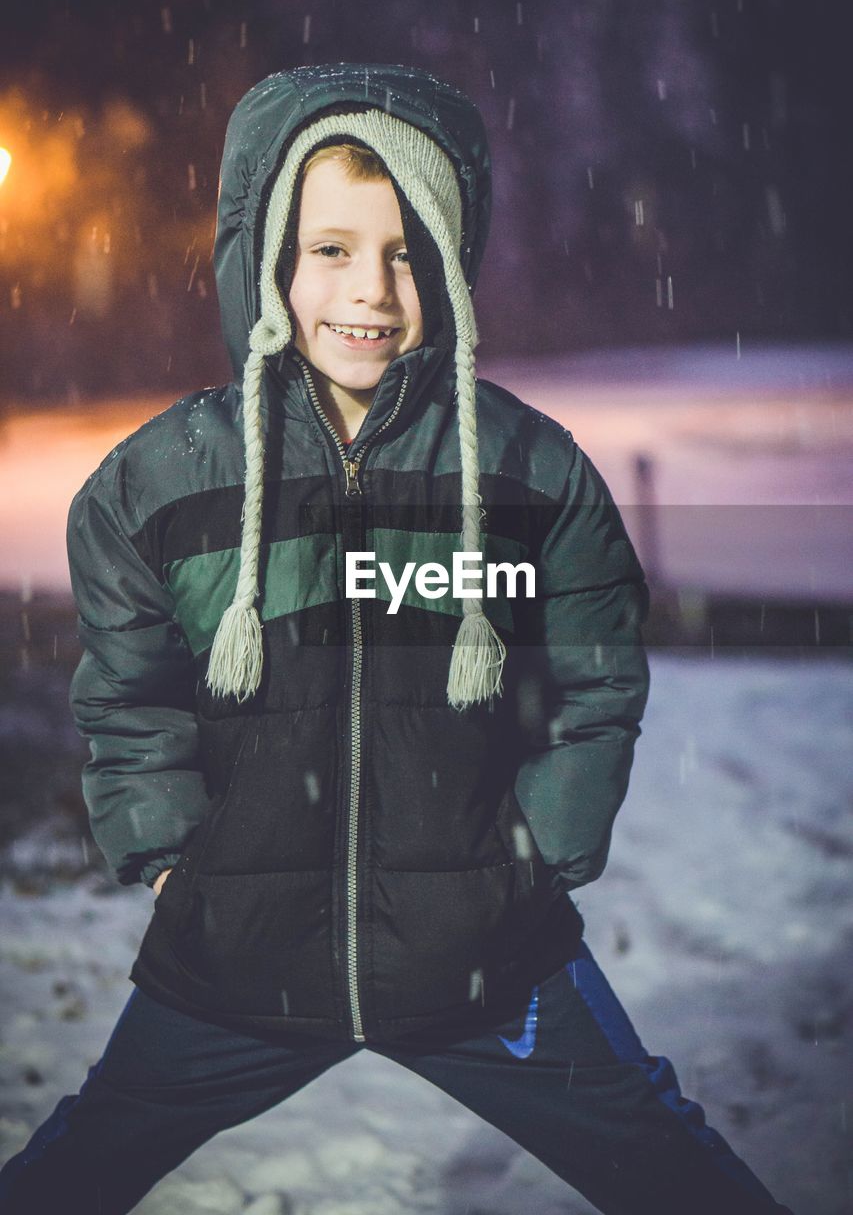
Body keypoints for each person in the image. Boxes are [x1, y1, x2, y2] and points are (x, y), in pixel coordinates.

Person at [0, 63, 793, 1214]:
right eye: (330, 248)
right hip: (235, 957)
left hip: (480, 956)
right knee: (82, 1163)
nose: (369, 287)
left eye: (406, 252)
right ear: (269, 257)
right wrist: (172, 851)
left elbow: (593, 670)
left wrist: (543, 846)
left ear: (453, 265)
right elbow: (129, 690)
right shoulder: (162, 483)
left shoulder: (530, 471)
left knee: (661, 1156)